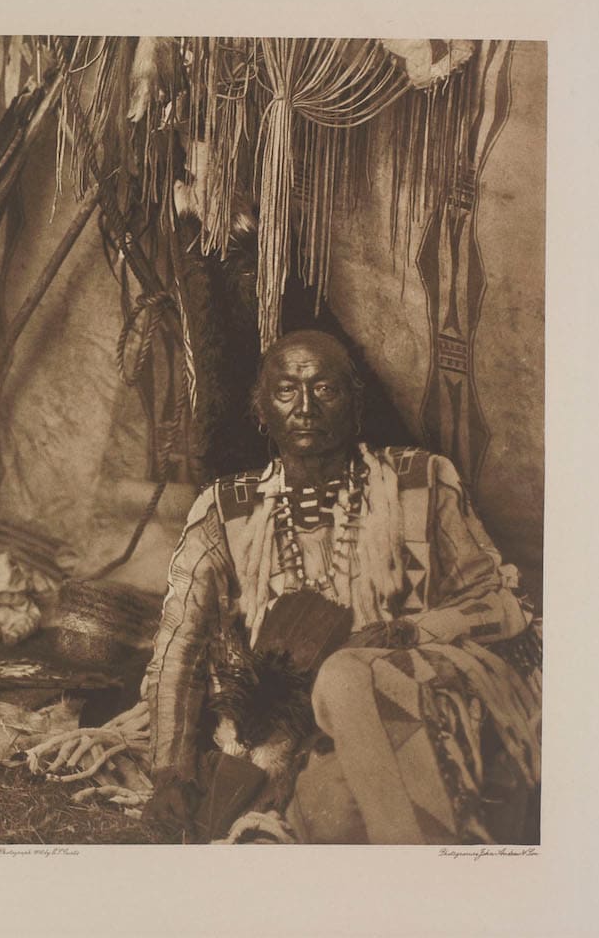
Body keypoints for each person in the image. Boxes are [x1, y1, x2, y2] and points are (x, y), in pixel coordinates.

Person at [142, 329, 541, 844]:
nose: (305, 406)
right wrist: (170, 772)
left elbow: (500, 605)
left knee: (347, 676)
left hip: (420, 689)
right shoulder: (226, 508)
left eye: (325, 389)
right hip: (294, 732)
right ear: (262, 410)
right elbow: (180, 645)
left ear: (355, 403)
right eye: (286, 391)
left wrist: (405, 633)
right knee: (326, 803)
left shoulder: (419, 481)